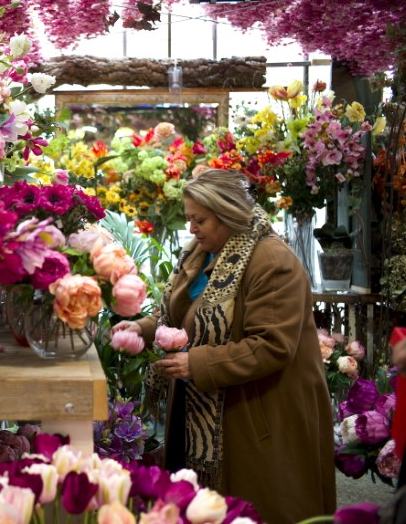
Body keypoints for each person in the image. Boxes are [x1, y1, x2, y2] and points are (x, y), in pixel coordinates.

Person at [127, 169, 336, 523]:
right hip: (206, 404)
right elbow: (178, 312)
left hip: (257, 413)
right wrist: (144, 328)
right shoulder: (203, 251)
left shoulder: (271, 261)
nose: (191, 229)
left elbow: (272, 345)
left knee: (253, 508)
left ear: (227, 213)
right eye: (189, 219)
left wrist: (198, 365)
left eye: (199, 220)